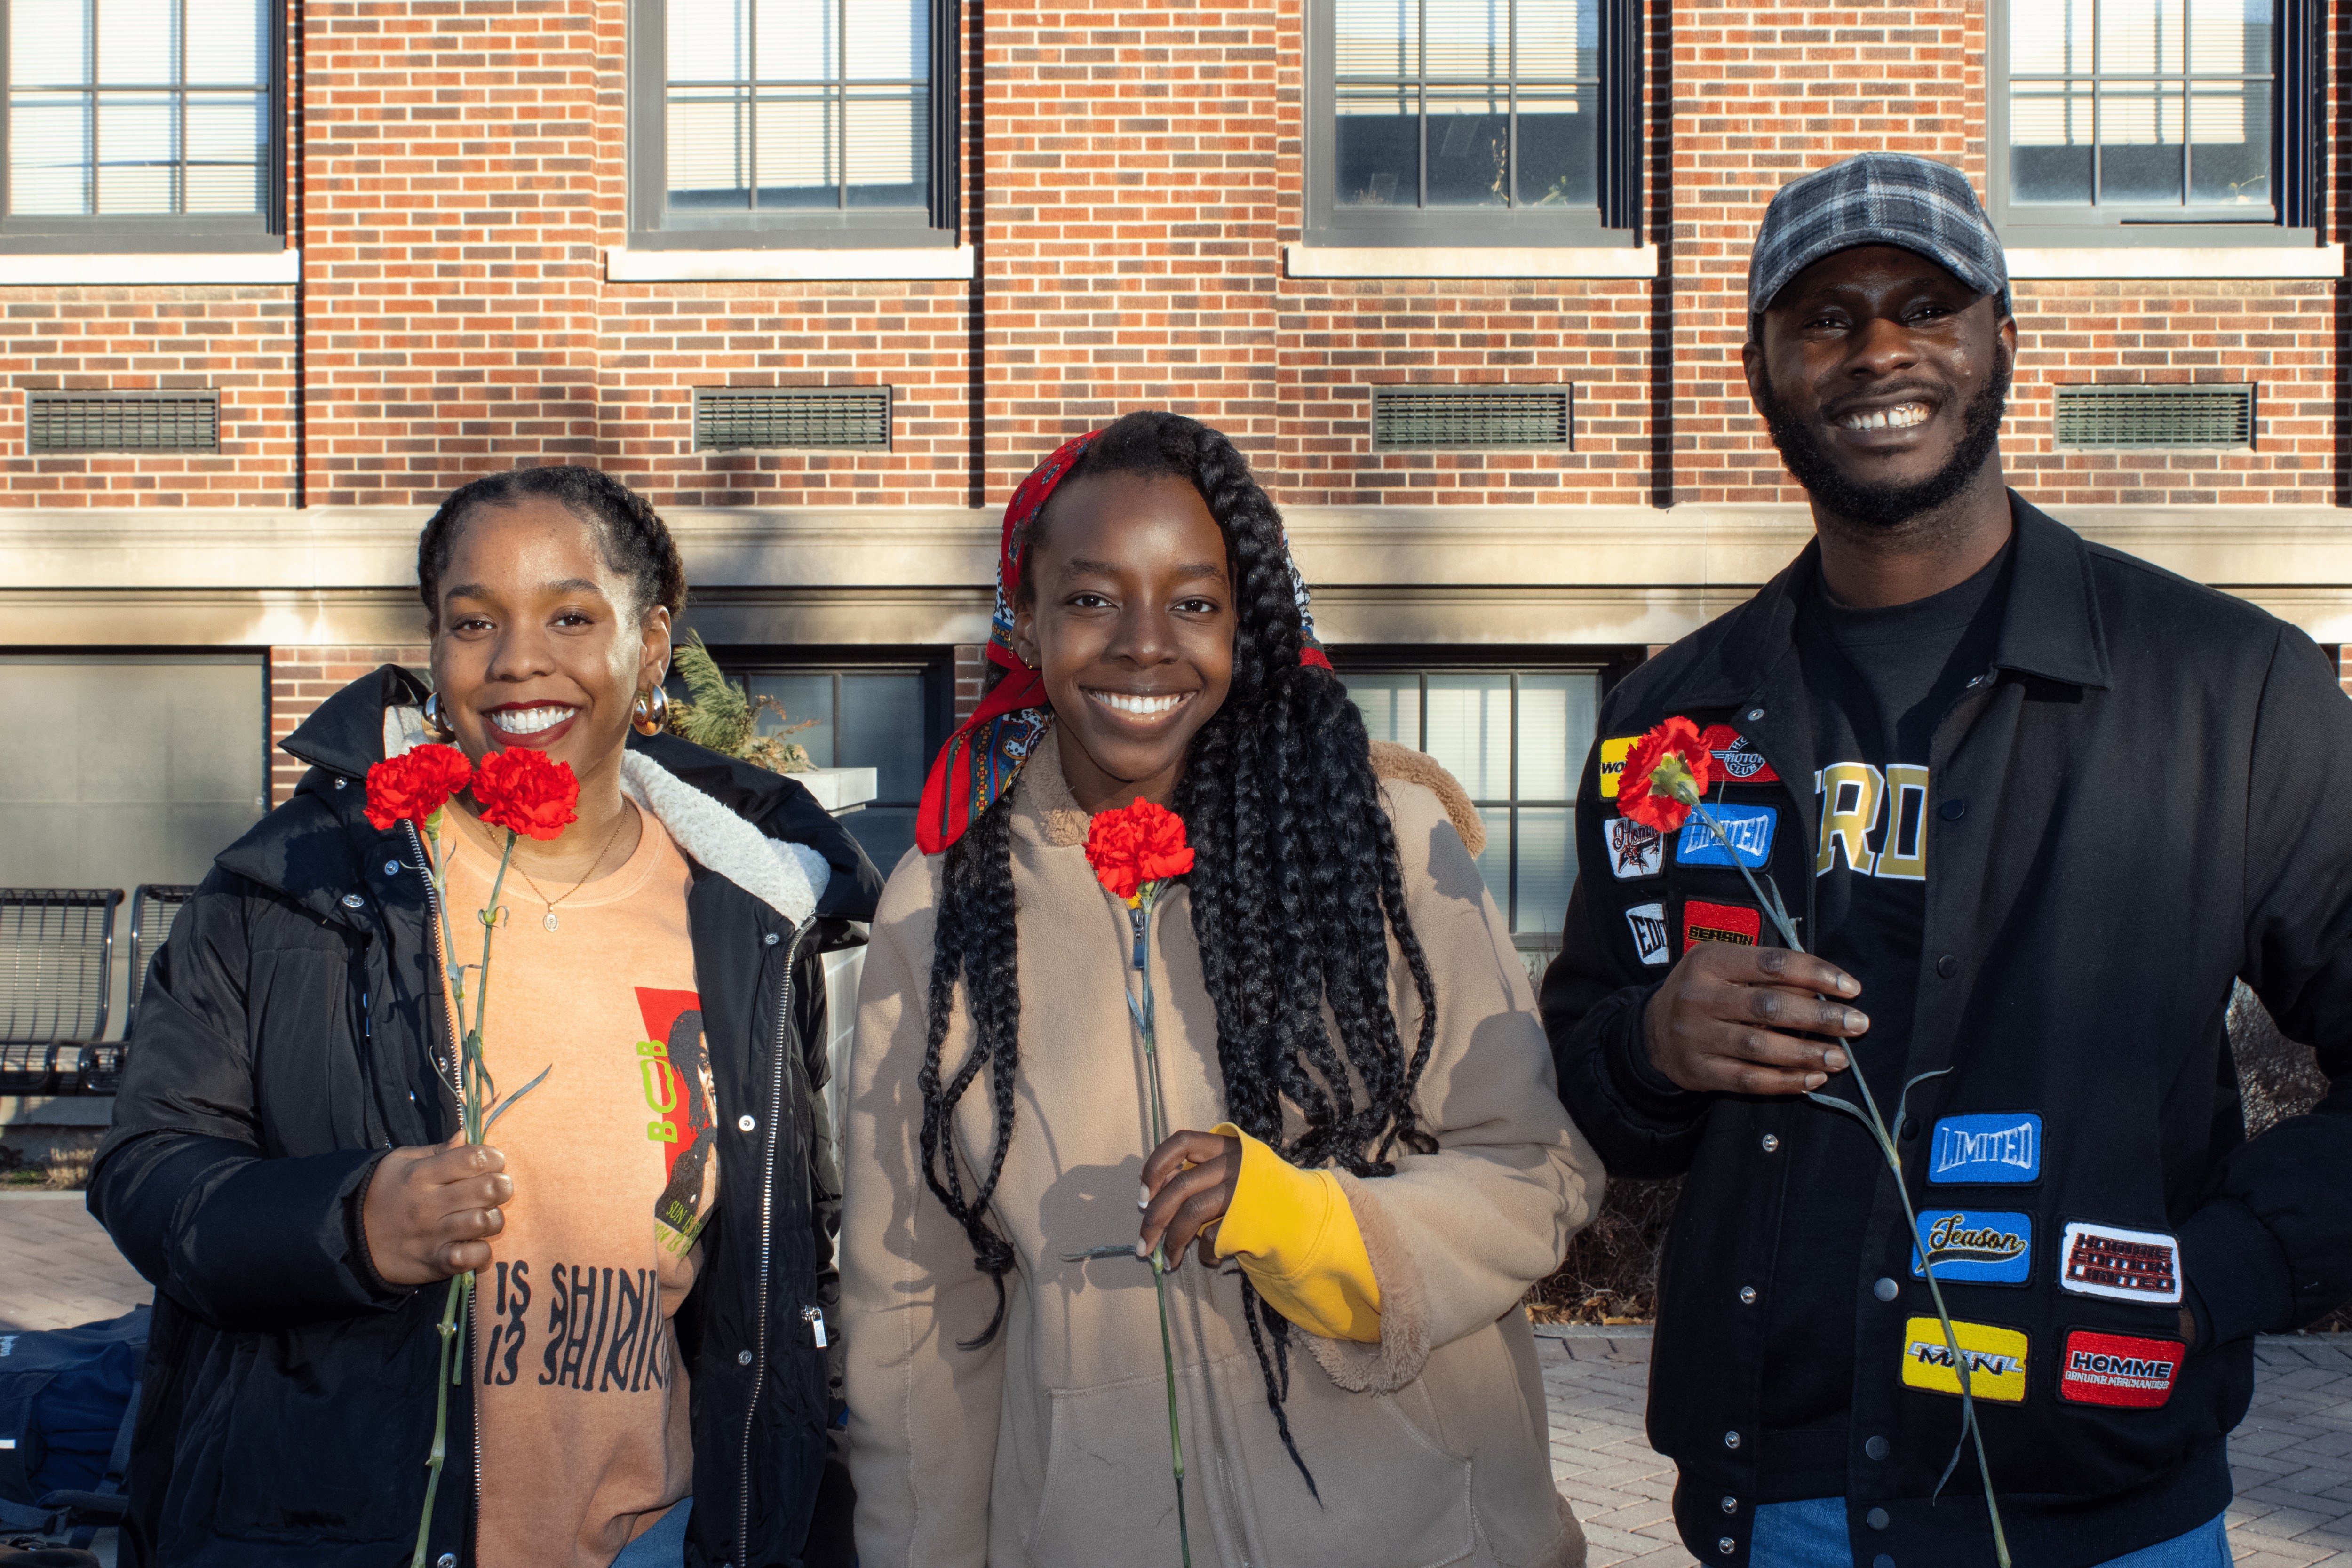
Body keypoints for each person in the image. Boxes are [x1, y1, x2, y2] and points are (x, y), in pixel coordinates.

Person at [1540, 151, 2352, 1568]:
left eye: (1928, 305)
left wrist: (2208, 1279)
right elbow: (1595, 1086)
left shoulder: (2232, 693)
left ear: (2003, 343)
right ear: (1761, 370)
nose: (1880, 351)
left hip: (2106, 1517)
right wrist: (1657, 1041)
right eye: (1827, 316)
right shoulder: (1670, 718)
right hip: (1771, 1504)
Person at [838, 411, 1601, 1568]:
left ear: (1247, 624)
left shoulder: (1381, 840)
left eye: (1194, 601)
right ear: (1026, 621)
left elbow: (1539, 1173)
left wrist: (1314, 1225)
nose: (1145, 644)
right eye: (1092, 598)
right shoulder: (936, 909)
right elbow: (911, 1312)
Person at [88, 466, 882, 1568]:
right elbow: (148, 1166)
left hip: (654, 1537)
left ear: (650, 646)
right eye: (474, 621)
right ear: (435, 646)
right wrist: (347, 1223)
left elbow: (794, 1251)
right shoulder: (295, 889)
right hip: (344, 1530)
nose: (519, 659)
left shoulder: (751, 916)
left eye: (570, 614)